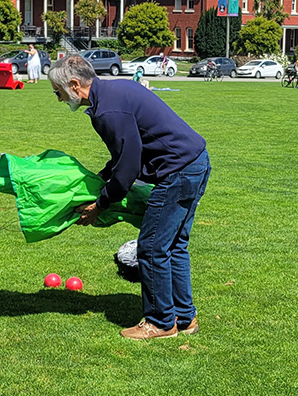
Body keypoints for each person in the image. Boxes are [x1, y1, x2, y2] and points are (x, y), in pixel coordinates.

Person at [49, 55, 210, 340]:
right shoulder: (114, 91)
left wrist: (100, 204)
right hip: (195, 162)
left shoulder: (107, 111)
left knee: (151, 248)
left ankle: (160, 322)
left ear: (74, 84)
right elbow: (124, 155)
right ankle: (185, 318)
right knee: (174, 245)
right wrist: (101, 177)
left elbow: (128, 169)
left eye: (58, 92)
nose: (59, 99)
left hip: (178, 171)